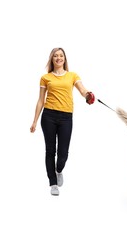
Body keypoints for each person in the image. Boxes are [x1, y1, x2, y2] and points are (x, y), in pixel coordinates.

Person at [30, 47, 95, 196]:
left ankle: (59, 170)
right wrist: (34, 121)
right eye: (55, 56)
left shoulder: (72, 75)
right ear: (52, 59)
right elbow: (40, 100)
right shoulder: (45, 78)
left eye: (61, 56)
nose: (58, 58)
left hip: (66, 117)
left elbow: (82, 89)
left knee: (63, 153)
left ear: (64, 59)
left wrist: (88, 95)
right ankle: (52, 183)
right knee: (50, 151)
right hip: (49, 117)